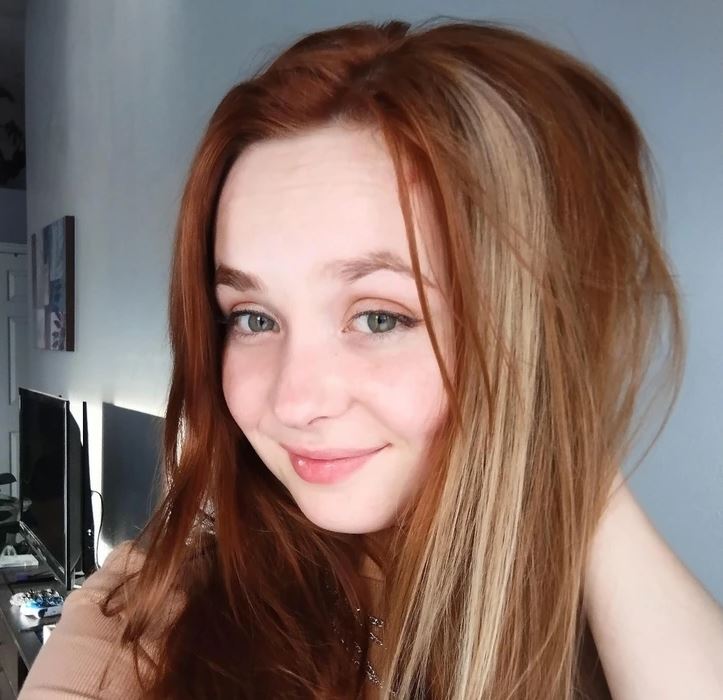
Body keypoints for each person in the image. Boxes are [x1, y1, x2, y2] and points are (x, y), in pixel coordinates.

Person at [20, 17, 723, 700]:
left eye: (379, 317)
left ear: (524, 336)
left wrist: (567, 446)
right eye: (254, 318)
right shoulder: (144, 621)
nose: (294, 402)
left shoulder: (603, 635)